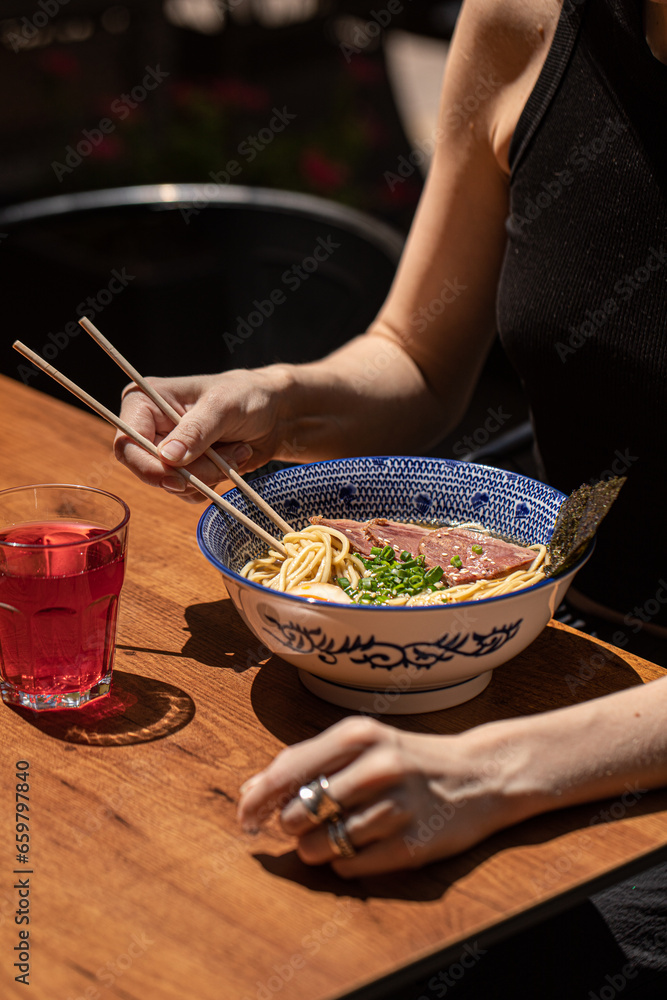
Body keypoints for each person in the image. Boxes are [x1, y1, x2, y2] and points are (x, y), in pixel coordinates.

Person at [116, 0, 667, 994]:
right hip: (535, 650)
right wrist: (278, 399)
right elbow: (416, 353)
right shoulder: (523, 20)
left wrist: (495, 772)